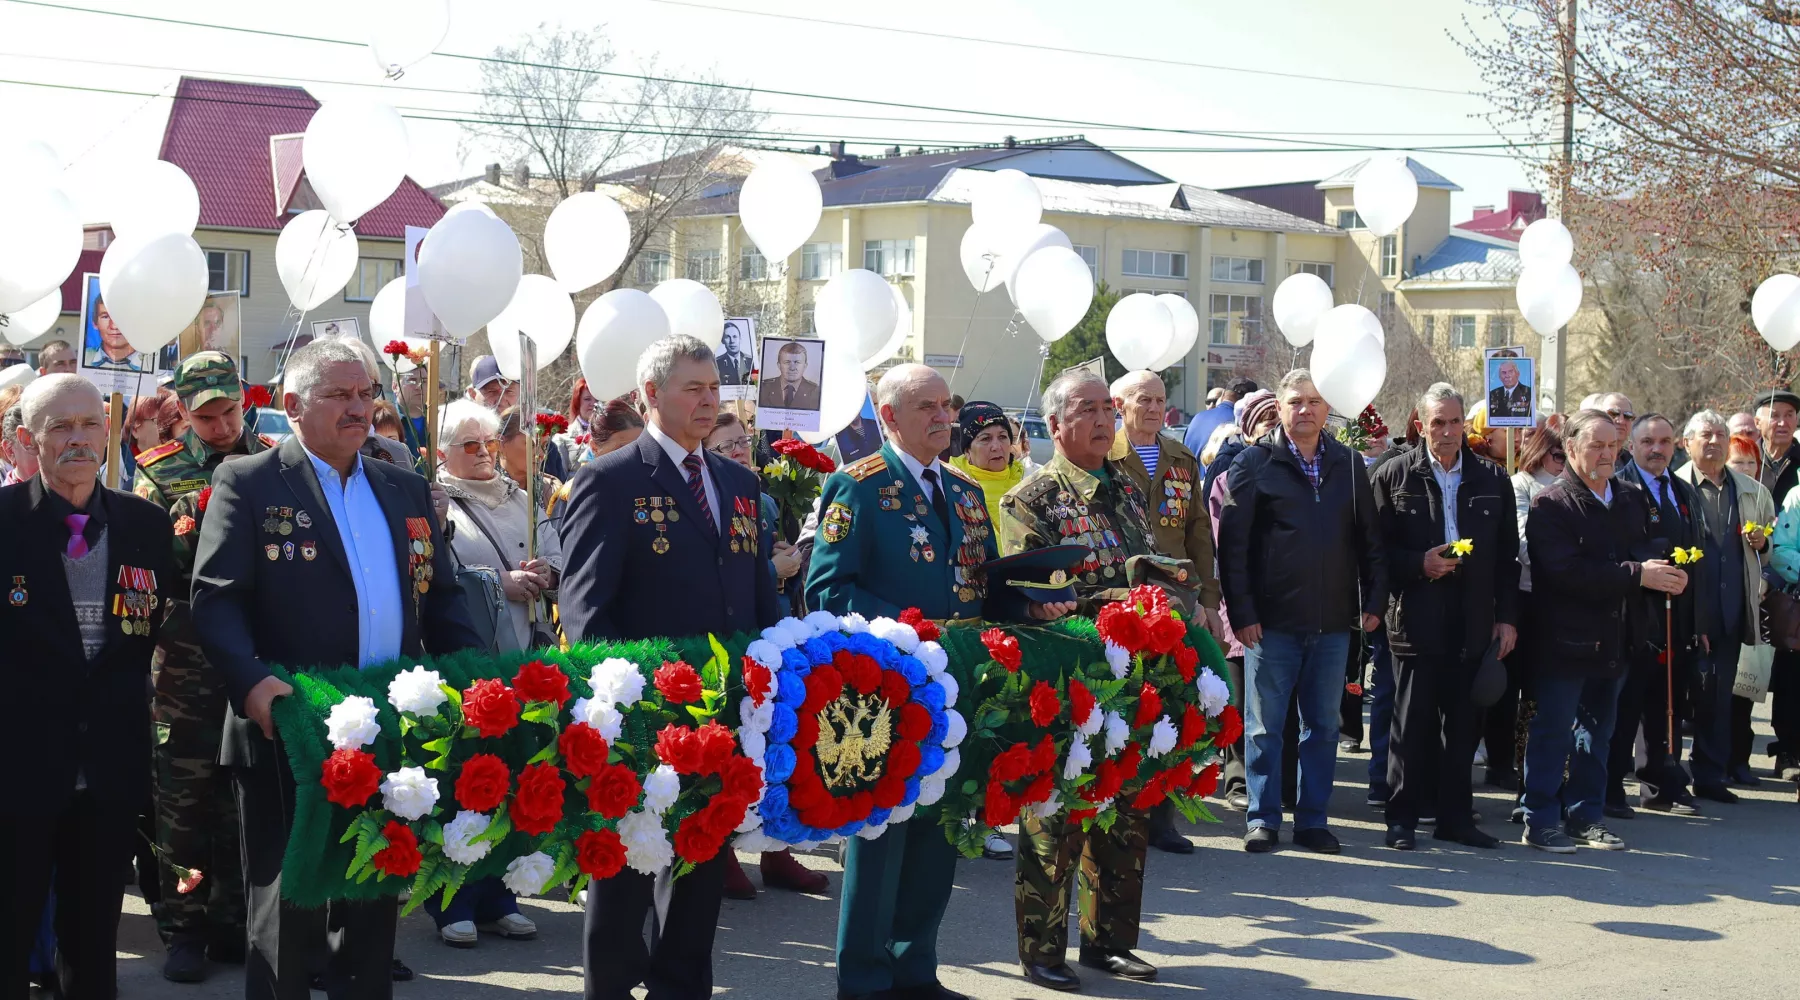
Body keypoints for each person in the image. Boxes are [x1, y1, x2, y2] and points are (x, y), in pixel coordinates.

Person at [191, 337, 480, 1000]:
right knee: (288, 916)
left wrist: (473, 679)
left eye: (365, 393)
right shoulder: (249, 481)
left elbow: (442, 600)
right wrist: (253, 681)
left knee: (374, 904)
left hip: (390, 729)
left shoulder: (404, 488)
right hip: (287, 730)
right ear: (291, 405)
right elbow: (215, 601)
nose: (358, 408)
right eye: (339, 395)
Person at [559, 334, 778, 1000]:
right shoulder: (610, 478)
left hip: (722, 716)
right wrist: (629, 706)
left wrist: (764, 686)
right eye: (693, 388)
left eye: (715, 389)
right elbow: (586, 611)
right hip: (642, 718)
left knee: (699, 873)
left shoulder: (739, 483)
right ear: (652, 394)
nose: (709, 401)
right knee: (625, 875)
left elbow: (758, 598)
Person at [805, 363, 1010, 1000]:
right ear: (890, 416)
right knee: (882, 834)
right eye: (927, 407)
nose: (944, 417)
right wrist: (911, 629)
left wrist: (1031, 606)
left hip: (956, 685)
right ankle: (864, 978)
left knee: (940, 827)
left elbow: (985, 585)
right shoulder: (859, 486)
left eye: (947, 404)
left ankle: (915, 966)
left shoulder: (966, 490)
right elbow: (827, 589)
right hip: (886, 689)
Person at [997, 368, 1171, 991]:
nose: (1103, 420)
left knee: (1124, 814)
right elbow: (1042, 597)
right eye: (1087, 409)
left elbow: (1145, 565)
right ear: (1054, 425)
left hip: (1131, 680)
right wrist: (1128, 593)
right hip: (1068, 685)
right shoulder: (1032, 498)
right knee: (1056, 822)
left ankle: (1111, 942)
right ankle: (1042, 949)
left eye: (1108, 408)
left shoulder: (1124, 486)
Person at [5, 374, 173, 1000]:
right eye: (60, 427)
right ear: (29, 440)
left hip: (107, 771)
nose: (78, 439)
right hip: (17, 770)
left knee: (93, 948)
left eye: (88, 424)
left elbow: (151, 629)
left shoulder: (147, 527)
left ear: (108, 431)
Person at [127, 353, 267, 980]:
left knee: (249, 794)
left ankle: (236, 922)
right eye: (206, 415)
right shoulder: (159, 475)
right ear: (182, 410)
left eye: (229, 410)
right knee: (183, 797)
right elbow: (150, 563)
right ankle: (183, 928)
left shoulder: (273, 461)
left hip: (259, 650)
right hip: (185, 661)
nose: (221, 424)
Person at [1217, 370, 1385, 855]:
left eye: (1315, 401)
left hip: (1333, 624)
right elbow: (1233, 549)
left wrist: (1373, 602)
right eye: (1296, 401)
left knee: (1324, 727)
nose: (1306, 410)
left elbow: (1370, 542)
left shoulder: (1349, 465)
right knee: (1266, 727)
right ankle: (1263, 818)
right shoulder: (1253, 462)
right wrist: (1243, 612)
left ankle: (1313, 820)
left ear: (1327, 408)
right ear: (1280, 407)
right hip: (1270, 625)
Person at [1521, 408, 1686, 853]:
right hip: (1565, 638)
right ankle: (1539, 818)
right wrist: (1638, 574)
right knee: (1554, 731)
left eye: (1614, 445)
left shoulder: (1631, 497)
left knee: (1598, 736)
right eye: (1597, 444)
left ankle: (1585, 817)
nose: (1608, 453)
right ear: (1570, 448)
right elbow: (1564, 572)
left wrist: (1669, 571)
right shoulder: (1550, 503)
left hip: (1618, 638)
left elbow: (1647, 548)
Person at [1369, 384, 1518, 851]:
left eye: (1455, 422)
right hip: (1416, 617)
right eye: (1438, 423)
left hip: (1472, 620)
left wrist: (1506, 618)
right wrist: (1419, 564)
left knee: (1462, 726)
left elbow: (1508, 559)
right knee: (1410, 725)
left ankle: (1456, 817)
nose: (1448, 432)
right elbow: (1373, 554)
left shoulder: (1492, 478)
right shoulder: (1393, 474)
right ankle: (1402, 819)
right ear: (1421, 424)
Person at [697, 410, 830, 899]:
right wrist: (768, 569)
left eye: (743, 443)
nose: (738, 453)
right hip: (732, 634)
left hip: (774, 626)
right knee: (737, 741)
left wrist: (786, 563)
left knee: (781, 739)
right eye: (726, 446)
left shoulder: (766, 500)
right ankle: (727, 850)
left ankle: (777, 849)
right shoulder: (712, 498)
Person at [1108, 370, 1224, 855]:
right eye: (1143, 400)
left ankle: (1164, 815)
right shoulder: (1105, 457)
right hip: (1126, 603)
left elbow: (1199, 532)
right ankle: (1116, 804)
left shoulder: (1180, 459)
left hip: (1179, 602)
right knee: (1127, 702)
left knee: (1175, 704)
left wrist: (1209, 601)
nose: (1155, 409)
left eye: (1160, 400)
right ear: (1119, 404)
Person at [1676, 409, 1773, 804]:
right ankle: (1665, 777)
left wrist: (1761, 545)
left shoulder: (1752, 490)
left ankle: (1711, 776)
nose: (1714, 441)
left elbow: (1769, 549)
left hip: (1730, 608)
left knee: (1718, 698)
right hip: (1681, 611)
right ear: (1688, 443)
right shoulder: (1674, 487)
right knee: (1673, 697)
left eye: (1720, 434)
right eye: (1705, 435)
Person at [1611, 413, 1703, 815]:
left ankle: (1663, 785)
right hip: (1634, 615)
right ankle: (1611, 788)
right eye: (1648, 441)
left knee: (1668, 705)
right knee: (1626, 707)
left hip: (1675, 617)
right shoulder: (1620, 487)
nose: (1657, 449)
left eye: (1665, 442)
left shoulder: (1681, 490)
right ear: (1632, 445)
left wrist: (1698, 624)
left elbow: (1699, 559)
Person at [1205, 389, 1281, 812]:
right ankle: (1236, 779)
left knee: (1273, 704)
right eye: (1264, 420)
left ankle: (1273, 782)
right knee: (1240, 700)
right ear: (1250, 430)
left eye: (1276, 418)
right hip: (1238, 603)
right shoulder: (1228, 477)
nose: (1272, 426)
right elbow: (1221, 542)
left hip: (1283, 605)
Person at [438, 398, 562, 655]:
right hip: (473, 650)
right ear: (442, 454)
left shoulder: (523, 499)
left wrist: (549, 573)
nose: (484, 451)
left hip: (534, 646)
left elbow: (558, 555)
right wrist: (496, 583)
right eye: (471, 445)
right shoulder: (436, 505)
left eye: (490, 442)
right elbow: (432, 578)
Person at [1493, 424, 1565, 792]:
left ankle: (1533, 773)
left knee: (1541, 692)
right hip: (1524, 598)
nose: (1564, 464)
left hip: (1560, 603)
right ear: (1540, 451)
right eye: (1558, 455)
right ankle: (1506, 763)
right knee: (1513, 689)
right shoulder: (1522, 484)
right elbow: (1522, 544)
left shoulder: (1576, 488)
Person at [1754, 388, 1800, 780]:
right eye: (1774, 414)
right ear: (1758, 422)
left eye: (1789, 415)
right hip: (1754, 571)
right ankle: (1739, 749)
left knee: (1790, 669)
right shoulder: (1746, 461)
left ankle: (1788, 752)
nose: (1781, 422)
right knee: (1751, 668)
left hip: (1786, 581)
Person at [950, 400, 1024, 526]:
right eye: (985, 439)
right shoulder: (950, 486)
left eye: (1002, 437)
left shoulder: (1027, 482)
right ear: (967, 451)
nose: (996, 447)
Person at [1184, 377, 1254, 457]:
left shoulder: (1196, 419)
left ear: (1223, 394)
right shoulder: (1240, 423)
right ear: (1251, 400)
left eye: (1214, 401)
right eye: (1208, 402)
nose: (1211, 405)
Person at [758, 341, 820, 411]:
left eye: (797, 362)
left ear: (805, 366)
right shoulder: (763, 388)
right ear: (779, 365)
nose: (792, 368)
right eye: (787, 362)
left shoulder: (815, 391)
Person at [85, 294, 142, 370]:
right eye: (105, 317)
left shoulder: (151, 363)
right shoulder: (82, 358)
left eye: (122, 317)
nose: (114, 326)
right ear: (95, 323)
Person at [555, 378, 597, 469]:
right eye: (587, 399)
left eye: (597, 399)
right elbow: (560, 478)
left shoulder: (612, 433)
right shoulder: (563, 437)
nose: (593, 403)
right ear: (577, 402)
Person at [717, 320, 754, 385]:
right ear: (722, 341)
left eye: (735, 336)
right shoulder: (717, 363)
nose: (732, 341)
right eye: (727, 337)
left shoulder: (751, 361)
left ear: (740, 339)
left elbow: (755, 384)